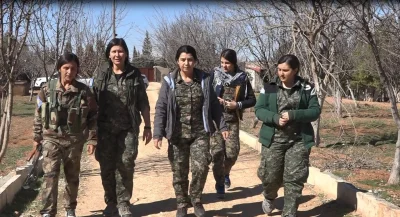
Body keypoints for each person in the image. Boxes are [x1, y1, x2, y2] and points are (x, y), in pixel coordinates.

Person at [153, 45, 228, 217]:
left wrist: (222, 125)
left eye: (190, 59)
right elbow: (161, 108)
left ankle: (196, 200)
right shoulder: (169, 81)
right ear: (177, 61)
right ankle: (181, 203)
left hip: (199, 133)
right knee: (179, 171)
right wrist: (158, 132)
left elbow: (214, 106)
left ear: (195, 61)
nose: (186, 63)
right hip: (177, 134)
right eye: (183, 59)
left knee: (201, 167)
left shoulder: (204, 80)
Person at [90, 38, 152, 217]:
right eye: (114, 51)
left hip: (128, 128)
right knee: (106, 166)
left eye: (121, 51)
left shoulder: (134, 74)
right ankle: (111, 201)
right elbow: (91, 100)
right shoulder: (101, 73)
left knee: (126, 163)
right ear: (109, 54)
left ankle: (124, 202)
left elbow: (143, 102)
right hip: (104, 129)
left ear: (126, 53)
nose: (117, 55)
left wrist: (147, 126)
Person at [255, 54, 321, 217]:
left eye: (286, 70)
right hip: (273, 140)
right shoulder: (269, 86)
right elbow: (259, 109)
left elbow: (314, 111)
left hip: (298, 141)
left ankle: (289, 213)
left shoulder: (306, 87)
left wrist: (293, 115)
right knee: (271, 177)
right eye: (279, 69)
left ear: (295, 70)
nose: (281, 73)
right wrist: (275, 118)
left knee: (294, 179)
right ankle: (269, 196)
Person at [33, 53, 97, 217]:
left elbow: (93, 116)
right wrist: (37, 137)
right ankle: (48, 212)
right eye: (66, 68)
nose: (69, 71)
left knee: (72, 177)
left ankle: (70, 209)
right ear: (59, 69)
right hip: (51, 139)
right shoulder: (47, 89)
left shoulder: (84, 91)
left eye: (73, 68)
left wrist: (92, 139)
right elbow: (39, 114)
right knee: (50, 176)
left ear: (77, 70)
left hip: (74, 141)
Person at [210, 48, 256, 198]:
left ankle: (225, 173)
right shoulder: (214, 74)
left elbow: (252, 99)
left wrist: (238, 105)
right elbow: (207, 95)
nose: (224, 66)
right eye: (222, 62)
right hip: (216, 121)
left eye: (227, 63)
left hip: (232, 121)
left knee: (232, 153)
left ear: (234, 62)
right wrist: (215, 101)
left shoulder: (242, 77)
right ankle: (220, 183)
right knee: (217, 155)